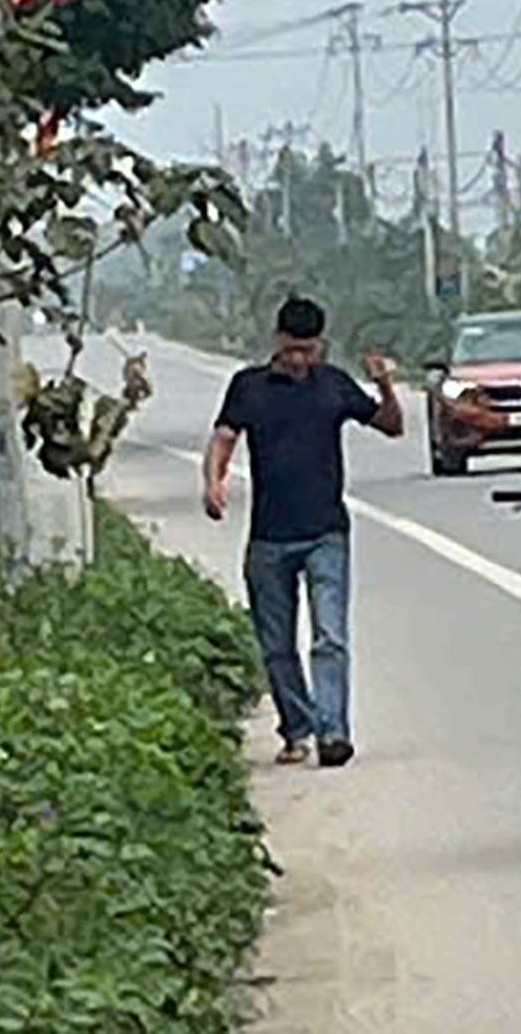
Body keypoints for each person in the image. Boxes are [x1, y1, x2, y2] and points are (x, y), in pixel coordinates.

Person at [203, 296, 405, 768]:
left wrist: (385, 385)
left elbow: (391, 426)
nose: (299, 360)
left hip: (326, 534)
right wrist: (213, 481)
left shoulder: (333, 385)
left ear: (321, 347)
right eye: (292, 349)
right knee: (276, 646)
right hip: (269, 538)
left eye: (308, 351)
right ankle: (298, 729)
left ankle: (334, 732)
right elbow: (224, 437)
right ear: (278, 341)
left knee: (329, 636)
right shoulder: (249, 387)